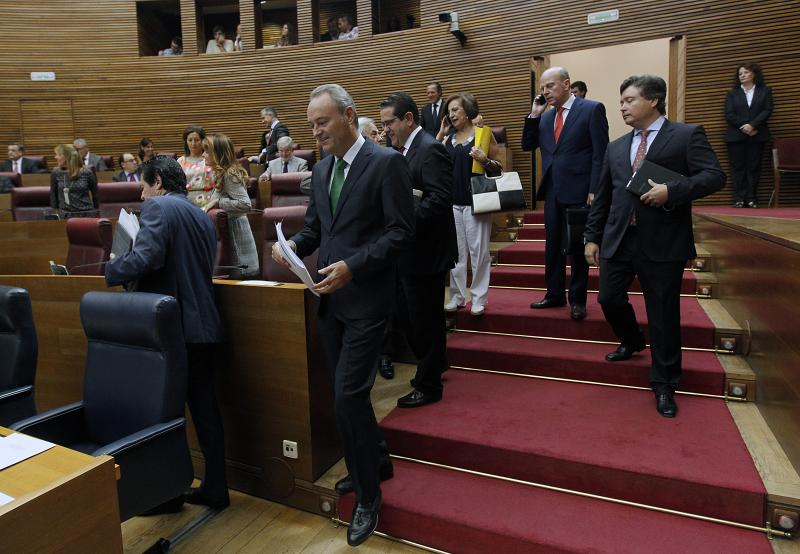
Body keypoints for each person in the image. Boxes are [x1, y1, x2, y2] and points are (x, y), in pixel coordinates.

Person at [271, 84, 414, 546]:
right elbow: (315, 229)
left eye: (322, 123)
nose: (315, 133)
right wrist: (291, 246)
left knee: (348, 398)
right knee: (343, 393)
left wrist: (354, 266)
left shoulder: (386, 163)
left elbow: (400, 233)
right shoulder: (324, 167)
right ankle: (375, 459)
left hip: (369, 299)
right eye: (311, 125)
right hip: (329, 300)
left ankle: (369, 497)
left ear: (349, 116)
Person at [584, 75, 725, 418]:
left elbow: (714, 176)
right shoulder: (616, 146)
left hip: (663, 240)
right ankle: (632, 340)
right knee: (608, 298)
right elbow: (604, 195)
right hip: (619, 238)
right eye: (621, 101)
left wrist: (671, 192)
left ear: (653, 101)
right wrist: (592, 235)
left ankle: (664, 383)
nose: (622, 107)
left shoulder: (687, 135)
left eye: (629, 100)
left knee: (663, 314)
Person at [104, 155, 229, 511]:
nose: (142, 197)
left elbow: (147, 258)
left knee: (166, 416)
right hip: (204, 324)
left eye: (143, 187)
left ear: (157, 181)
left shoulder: (158, 208)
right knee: (205, 412)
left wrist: (112, 268)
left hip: (173, 327)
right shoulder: (201, 215)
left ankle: (167, 494)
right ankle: (216, 488)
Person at [380, 91, 457, 408]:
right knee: (412, 318)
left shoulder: (430, 149)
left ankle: (429, 385)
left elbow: (439, 202)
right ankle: (435, 363)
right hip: (408, 252)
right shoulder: (401, 150)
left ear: (408, 118)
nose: (386, 130)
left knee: (423, 320)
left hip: (426, 252)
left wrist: (402, 222)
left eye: (389, 123)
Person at [522, 66, 609, 320]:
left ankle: (578, 300)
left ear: (567, 84)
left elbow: (600, 154)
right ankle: (554, 294)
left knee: (576, 247)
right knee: (553, 246)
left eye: (550, 86)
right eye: (542, 88)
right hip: (553, 191)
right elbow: (528, 144)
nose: (545, 91)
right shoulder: (546, 117)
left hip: (581, 191)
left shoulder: (591, 109)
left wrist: (596, 188)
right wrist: (534, 114)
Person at [437, 92, 501, 317]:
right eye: (449, 110)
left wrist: (484, 160)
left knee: (479, 252)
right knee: (457, 253)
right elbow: (433, 160)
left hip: (476, 202)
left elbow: (498, 167)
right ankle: (456, 296)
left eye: (456, 109)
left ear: (467, 112)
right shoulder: (448, 139)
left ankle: (479, 298)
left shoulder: (483, 134)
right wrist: (441, 133)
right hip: (452, 203)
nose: (451, 114)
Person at [201, 134, 259, 279]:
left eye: (207, 151)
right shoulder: (221, 173)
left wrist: (218, 203)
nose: (203, 155)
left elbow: (246, 205)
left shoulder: (229, 175)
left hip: (238, 244)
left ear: (218, 154)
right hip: (230, 238)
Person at [725, 62, 773, 208]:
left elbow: (767, 110)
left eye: (745, 72)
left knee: (754, 167)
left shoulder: (765, 91)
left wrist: (753, 125)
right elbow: (729, 113)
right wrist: (744, 126)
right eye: (740, 74)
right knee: (737, 168)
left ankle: (752, 198)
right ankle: (739, 198)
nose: (742, 76)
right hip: (736, 136)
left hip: (757, 134)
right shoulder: (732, 93)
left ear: (754, 74)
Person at [50, 144, 99, 218]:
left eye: (59, 155)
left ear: (67, 157)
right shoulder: (56, 172)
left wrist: (97, 214)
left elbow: (95, 195)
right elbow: (53, 197)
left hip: (86, 214)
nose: (55, 157)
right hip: (65, 215)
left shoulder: (87, 172)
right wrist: (57, 215)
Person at [177, 125, 215, 209]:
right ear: (186, 142)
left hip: (207, 200)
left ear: (202, 141)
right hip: (185, 201)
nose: (193, 143)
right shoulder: (180, 161)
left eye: (197, 140)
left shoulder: (209, 158)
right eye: (190, 140)